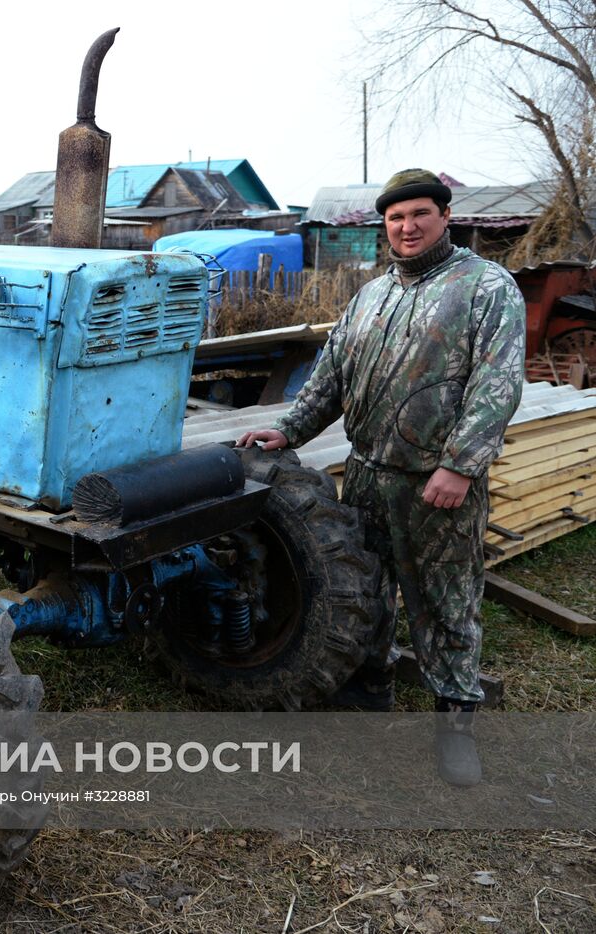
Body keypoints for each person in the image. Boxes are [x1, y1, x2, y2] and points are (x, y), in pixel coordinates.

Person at [237, 168, 525, 786]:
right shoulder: (372, 296)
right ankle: (367, 695)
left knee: (447, 602)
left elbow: (497, 386)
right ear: (384, 227)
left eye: (420, 213)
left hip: (437, 485)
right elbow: (332, 375)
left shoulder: (485, 287)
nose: (408, 226)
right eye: (396, 218)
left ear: (445, 216)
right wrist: (289, 429)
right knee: (364, 592)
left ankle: (456, 726)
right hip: (367, 476)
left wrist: (459, 465)